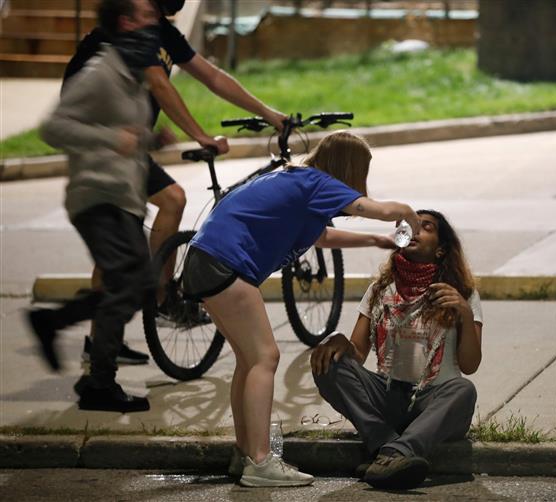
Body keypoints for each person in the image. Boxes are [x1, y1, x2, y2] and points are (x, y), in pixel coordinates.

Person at [181, 130, 421, 487]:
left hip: (205, 259)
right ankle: (261, 463)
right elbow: (384, 211)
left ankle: (246, 455)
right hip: (225, 263)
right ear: (350, 168)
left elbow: (320, 236)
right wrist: (408, 216)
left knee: (250, 361)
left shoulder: (300, 181)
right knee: (265, 357)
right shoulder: (317, 182)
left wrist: (376, 240)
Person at [62, 0, 287, 366]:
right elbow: (159, 85)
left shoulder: (162, 30)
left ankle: (106, 337)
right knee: (166, 204)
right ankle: (163, 299)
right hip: (104, 147)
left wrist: (266, 112)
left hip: (125, 148)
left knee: (139, 228)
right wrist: (200, 136)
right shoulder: (131, 25)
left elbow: (211, 76)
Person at [27, 0, 172, 412]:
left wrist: (148, 140)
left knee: (139, 284)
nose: (155, 22)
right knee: (129, 283)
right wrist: (113, 140)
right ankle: (98, 382)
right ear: (126, 22)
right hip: (96, 197)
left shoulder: (130, 76)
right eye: (147, 16)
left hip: (122, 198)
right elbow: (53, 127)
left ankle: (54, 324)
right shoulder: (99, 72)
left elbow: (121, 130)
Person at [310, 209, 483, 490]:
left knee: (464, 390)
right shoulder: (380, 290)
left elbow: (470, 365)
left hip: (434, 400)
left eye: (424, 226)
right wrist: (340, 342)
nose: (413, 230)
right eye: (408, 226)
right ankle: (390, 448)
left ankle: (390, 452)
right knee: (329, 363)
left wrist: (463, 312)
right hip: (388, 396)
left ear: (440, 250)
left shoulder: (462, 293)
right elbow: (357, 352)